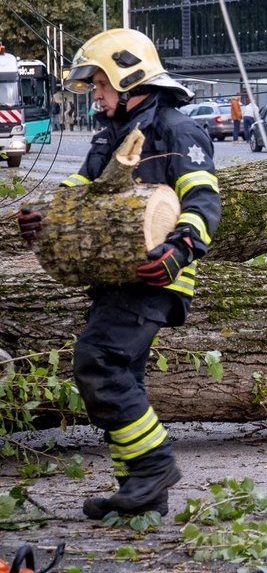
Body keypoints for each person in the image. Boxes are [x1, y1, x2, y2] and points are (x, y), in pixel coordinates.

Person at [16, 28, 221, 520]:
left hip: (156, 280)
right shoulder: (109, 136)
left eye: (101, 84)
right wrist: (46, 218)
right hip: (116, 277)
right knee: (121, 373)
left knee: (98, 360)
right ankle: (141, 491)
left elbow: (203, 202)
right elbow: (77, 191)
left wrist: (178, 250)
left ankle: (153, 466)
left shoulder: (177, 131)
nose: (97, 95)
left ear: (130, 78)